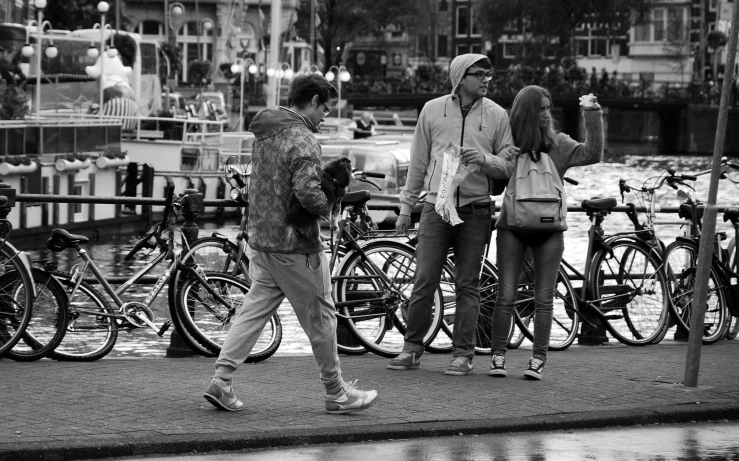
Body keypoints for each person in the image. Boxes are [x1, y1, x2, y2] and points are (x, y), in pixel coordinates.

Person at [204, 73, 379, 415]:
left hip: (263, 239)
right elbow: (309, 196)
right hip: (295, 245)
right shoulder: (302, 139)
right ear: (312, 100)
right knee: (323, 317)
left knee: (253, 312)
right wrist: (337, 193)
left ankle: (221, 381)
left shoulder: (266, 132)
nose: (326, 115)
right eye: (325, 107)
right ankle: (336, 392)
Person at [387, 54, 517, 375]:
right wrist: (406, 207)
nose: (487, 79)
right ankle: (411, 348)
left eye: (489, 74)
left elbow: (510, 163)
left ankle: (463, 354)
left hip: (476, 210)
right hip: (434, 208)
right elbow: (418, 162)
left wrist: (486, 160)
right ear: (460, 76)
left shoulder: (498, 115)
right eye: (480, 74)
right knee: (424, 280)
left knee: (467, 284)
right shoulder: (432, 110)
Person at [488, 85, 604, 380]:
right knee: (505, 295)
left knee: (544, 298)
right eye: (539, 108)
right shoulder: (508, 142)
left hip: (550, 229)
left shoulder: (559, 144)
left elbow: (593, 153)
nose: (545, 114)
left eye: (547, 108)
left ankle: (538, 360)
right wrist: (500, 160)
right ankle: (498, 356)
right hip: (512, 228)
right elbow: (495, 187)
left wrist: (591, 111)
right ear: (526, 112)